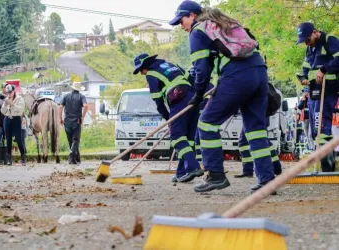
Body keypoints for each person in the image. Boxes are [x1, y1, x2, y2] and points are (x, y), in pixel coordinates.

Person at [170, 1, 276, 194]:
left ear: (192, 16)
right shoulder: (224, 23)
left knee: (207, 124)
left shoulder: (198, 30)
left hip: (237, 75)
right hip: (259, 71)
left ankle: (216, 175)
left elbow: (201, 69)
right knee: (255, 130)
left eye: (181, 20)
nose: (181, 25)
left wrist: (199, 94)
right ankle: (267, 180)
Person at [132, 53, 204, 183]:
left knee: (177, 137)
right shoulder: (171, 65)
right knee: (188, 140)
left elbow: (158, 101)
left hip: (179, 99)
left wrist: (168, 118)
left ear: (145, 65)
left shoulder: (151, 74)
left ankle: (193, 167)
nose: (142, 74)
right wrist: (200, 97)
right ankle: (181, 172)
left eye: (140, 70)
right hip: (193, 99)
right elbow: (192, 80)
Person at [296, 22, 339, 172]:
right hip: (314, 91)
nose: (306, 43)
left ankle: (328, 168)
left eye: (307, 39)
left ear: (315, 32)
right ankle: (323, 165)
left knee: (323, 126)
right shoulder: (310, 48)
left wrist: (324, 68)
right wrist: (303, 77)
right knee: (317, 130)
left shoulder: (329, 40)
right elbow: (306, 67)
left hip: (329, 89)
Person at [59, 82, 88, 165]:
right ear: (79, 89)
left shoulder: (66, 96)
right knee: (76, 140)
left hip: (67, 121)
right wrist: (82, 117)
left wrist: (60, 118)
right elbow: (85, 106)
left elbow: (60, 106)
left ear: (72, 88)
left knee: (71, 141)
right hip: (76, 121)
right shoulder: (81, 97)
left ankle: (77, 158)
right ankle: (71, 157)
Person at [0, 84, 26, 166]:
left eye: (10, 92)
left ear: (14, 91)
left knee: (18, 139)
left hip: (16, 119)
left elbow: (21, 110)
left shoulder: (19, 99)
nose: (9, 94)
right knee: (8, 140)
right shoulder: (6, 99)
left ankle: (23, 157)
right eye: (7, 93)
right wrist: (6, 105)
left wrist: (12, 104)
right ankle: (9, 158)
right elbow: (2, 111)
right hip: (7, 119)